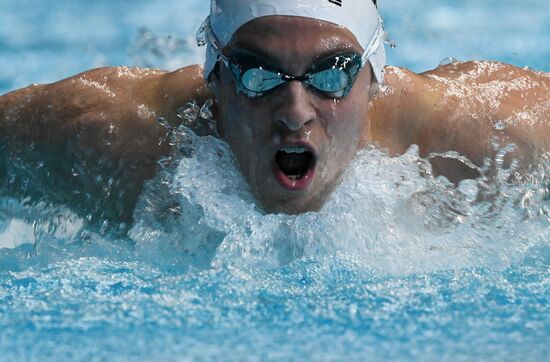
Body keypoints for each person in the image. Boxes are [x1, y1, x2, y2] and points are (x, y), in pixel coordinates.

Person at [0, 0, 549, 222]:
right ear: (215, 79)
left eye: (331, 74)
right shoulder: (118, 137)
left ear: (375, 79)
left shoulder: (472, 132)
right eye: (258, 75)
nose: (294, 112)